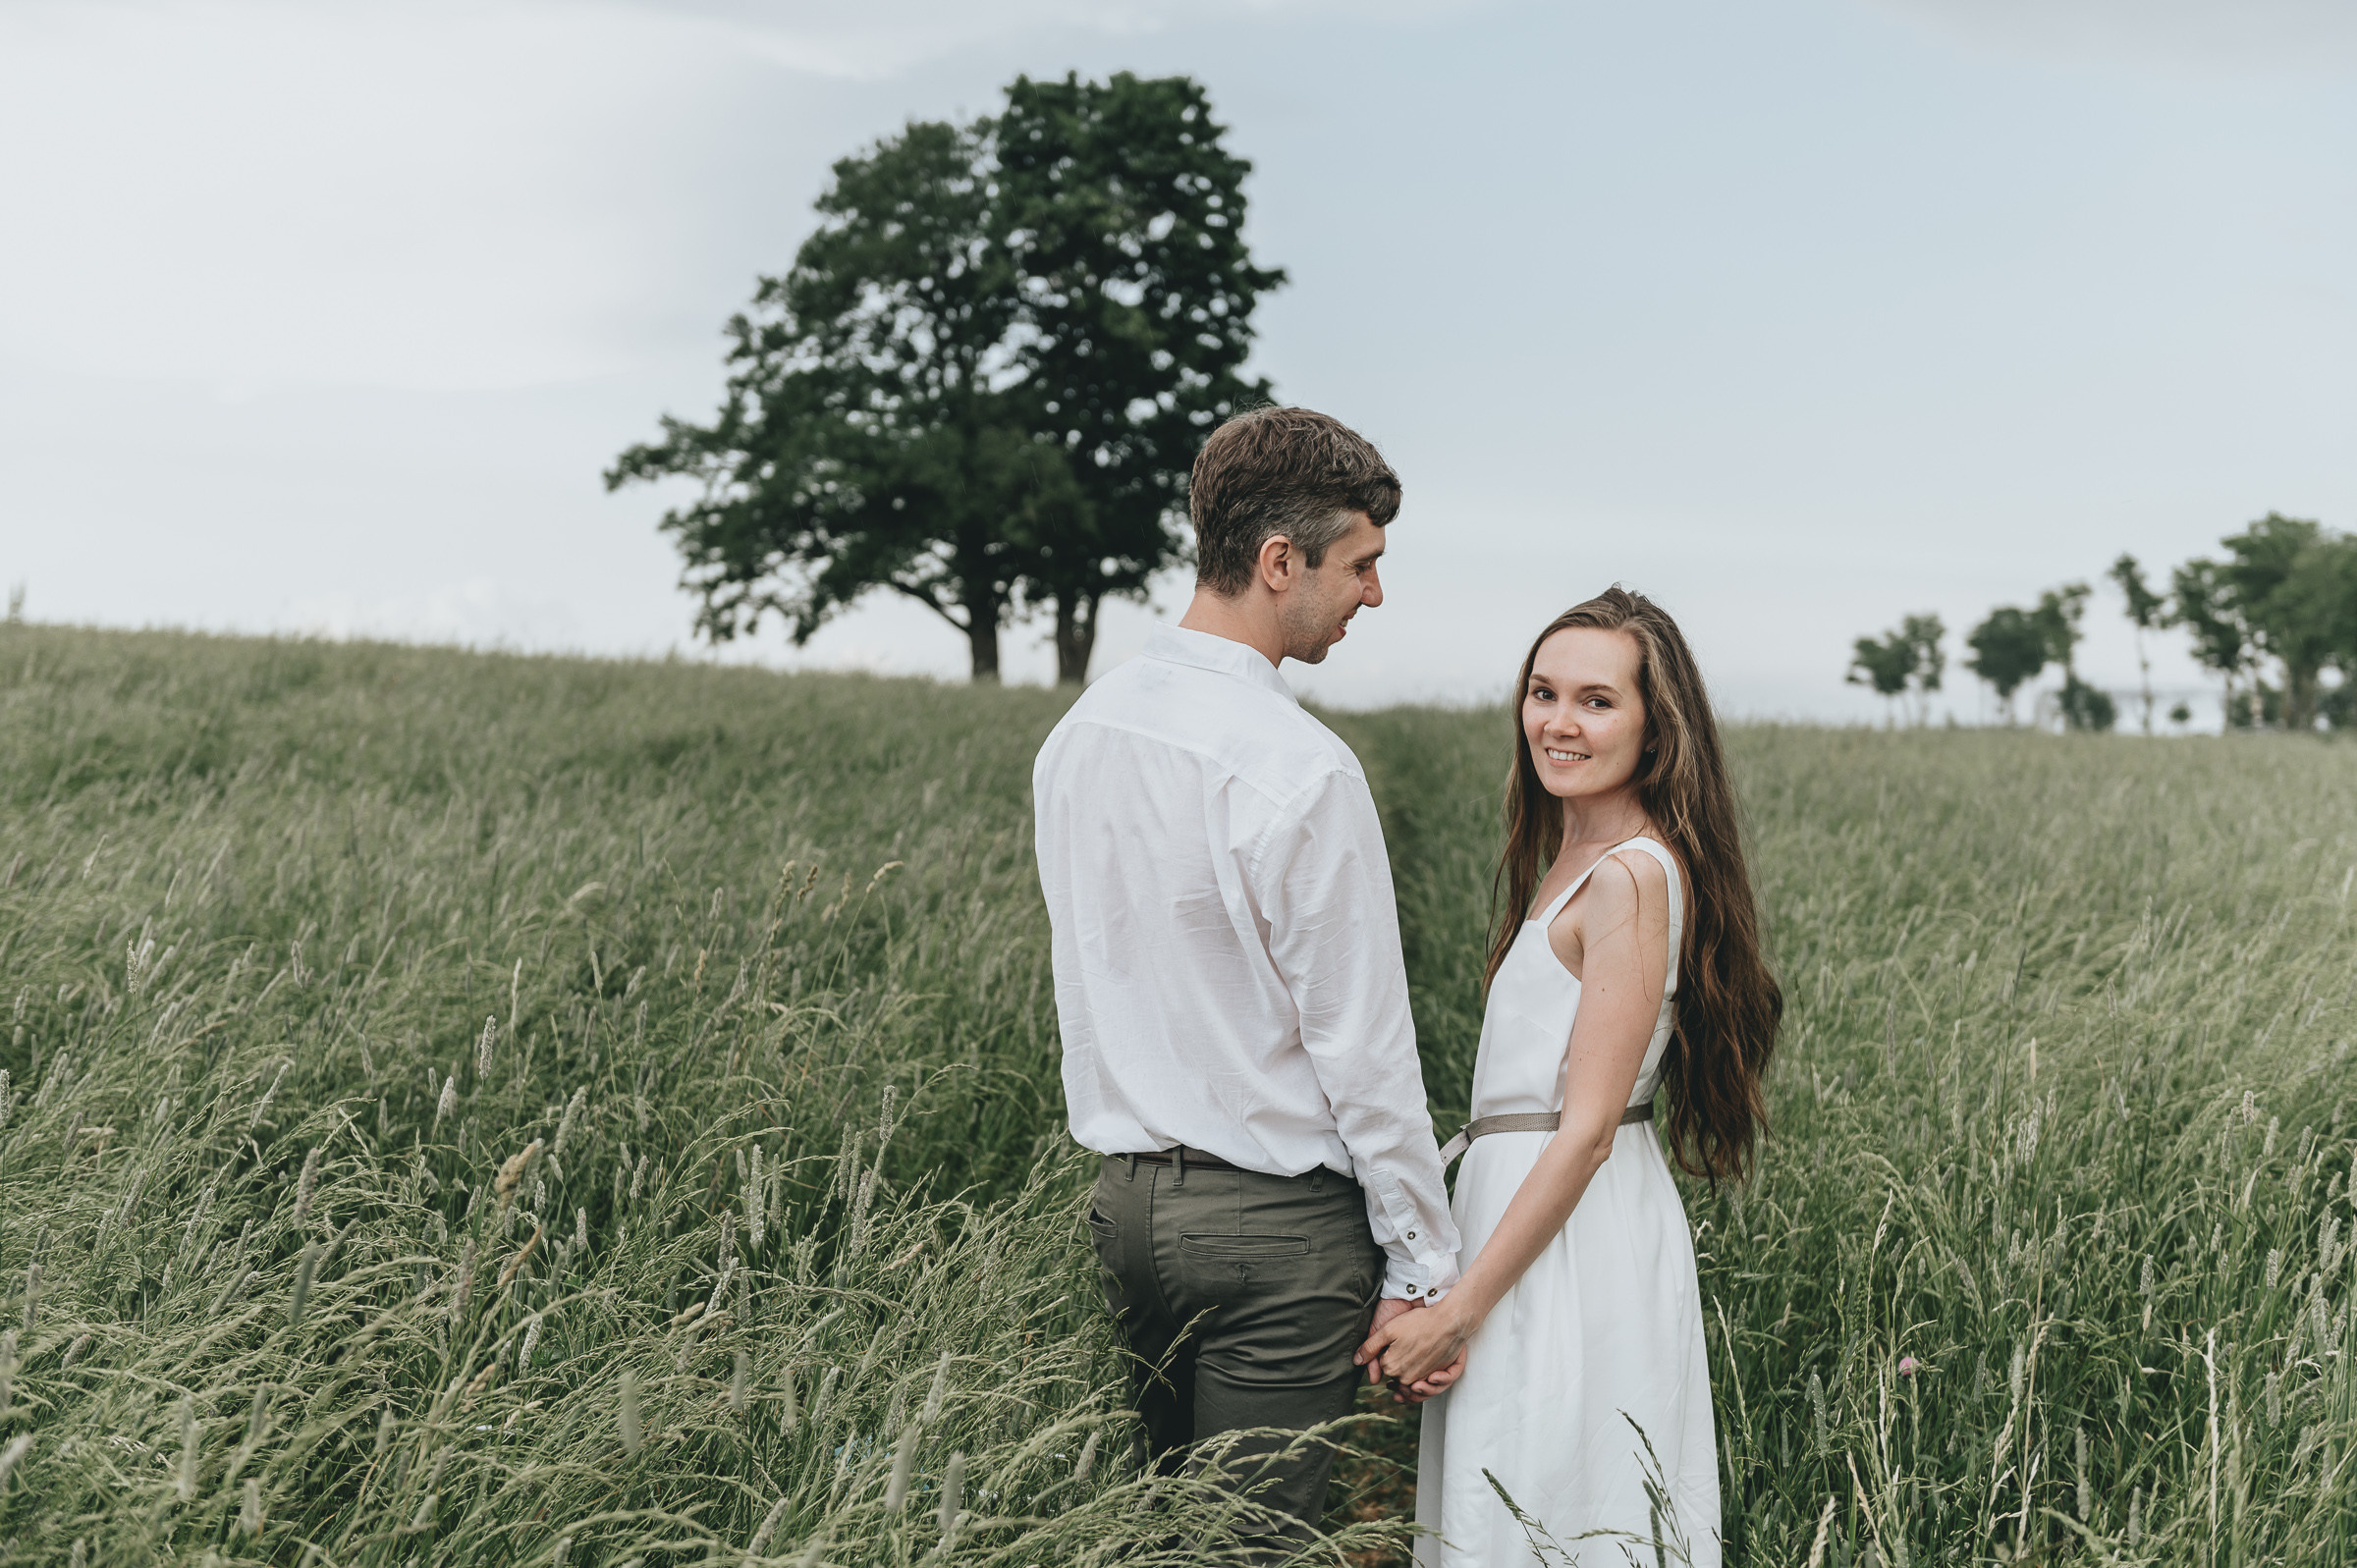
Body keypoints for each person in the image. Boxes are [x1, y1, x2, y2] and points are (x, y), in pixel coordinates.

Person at [1032, 406, 1464, 1558]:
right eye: (1362, 564)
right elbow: (1364, 1050)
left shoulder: (1078, 736)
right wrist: (1426, 1269)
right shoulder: (1300, 767)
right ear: (1282, 563)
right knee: (1252, 1549)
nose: (1374, 594)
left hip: (1124, 1208)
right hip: (1275, 1231)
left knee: (1162, 1536)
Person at [1356, 587, 1782, 1566]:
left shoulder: (1631, 874)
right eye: (1543, 692)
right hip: (1528, 1211)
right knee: (1512, 1496)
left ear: (1655, 727)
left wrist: (1456, 1310)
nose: (1558, 720)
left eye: (1596, 700)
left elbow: (1588, 1127)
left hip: (1573, 1233)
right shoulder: (1572, 855)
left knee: (1553, 1494)